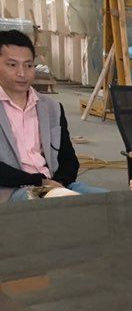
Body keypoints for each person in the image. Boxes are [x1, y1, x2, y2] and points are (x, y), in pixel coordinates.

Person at [0, 29, 107, 201]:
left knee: (111, 201)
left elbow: (69, 159)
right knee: (65, 207)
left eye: (28, 65)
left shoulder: (51, 108)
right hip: (10, 191)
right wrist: (40, 182)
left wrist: (59, 183)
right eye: (12, 65)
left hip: (53, 185)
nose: (22, 73)